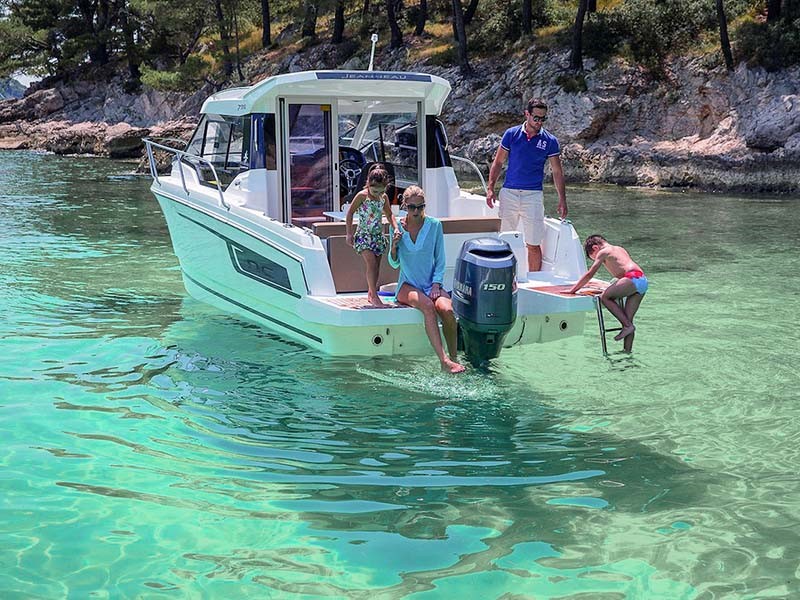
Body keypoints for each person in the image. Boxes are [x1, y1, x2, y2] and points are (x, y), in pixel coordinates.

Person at [486, 97, 568, 272]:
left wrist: (562, 200)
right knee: (505, 239)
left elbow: (557, 171)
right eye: (536, 117)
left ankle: (534, 281)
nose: (539, 122)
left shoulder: (550, 141)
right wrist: (490, 188)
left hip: (533, 195)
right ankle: (505, 276)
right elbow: (498, 162)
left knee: (533, 242)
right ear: (527, 114)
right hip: (509, 193)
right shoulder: (511, 134)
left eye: (542, 119)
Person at [389, 186, 465, 373]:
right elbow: (393, 263)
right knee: (428, 307)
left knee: (447, 310)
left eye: (420, 207)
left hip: (431, 283)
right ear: (404, 206)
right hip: (407, 285)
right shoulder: (397, 227)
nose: (416, 211)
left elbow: (440, 259)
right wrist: (394, 246)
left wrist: (436, 284)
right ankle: (444, 360)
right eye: (412, 207)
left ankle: (454, 357)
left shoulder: (434, 225)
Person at [568, 234, 648, 352]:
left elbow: (590, 274)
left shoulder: (603, 252)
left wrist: (572, 290)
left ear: (595, 248)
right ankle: (627, 352)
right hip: (642, 280)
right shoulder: (619, 249)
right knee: (628, 319)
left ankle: (627, 326)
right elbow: (622, 269)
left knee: (605, 297)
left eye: (594, 258)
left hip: (631, 279)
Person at [346, 166, 398, 307]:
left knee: (377, 268)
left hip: (377, 237)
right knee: (371, 264)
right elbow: (350, 213)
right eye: (375, 191)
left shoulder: (383, 198)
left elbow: (389, 214)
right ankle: (374, 296)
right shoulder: (362, 196)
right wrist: (349, 233)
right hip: (363, 236)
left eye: (381, 191)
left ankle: (371, 293)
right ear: (368, 183)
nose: (377, 194)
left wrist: (396, 227)